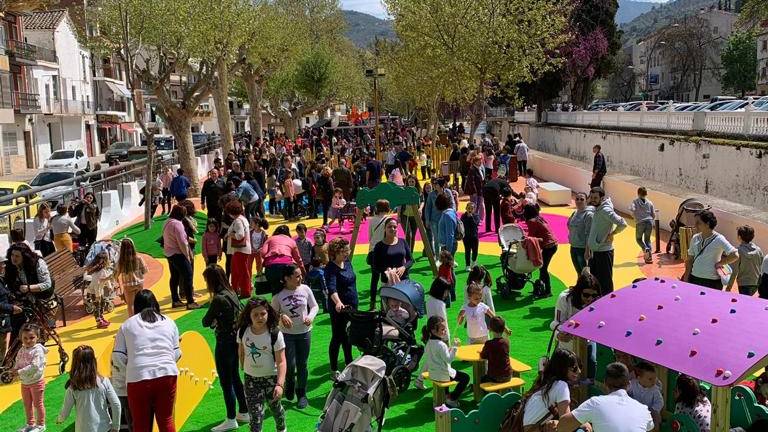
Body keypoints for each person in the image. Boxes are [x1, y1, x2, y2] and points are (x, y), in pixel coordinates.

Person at [112, 290, 180, 432]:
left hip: (138, 378)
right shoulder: (169, 322)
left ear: (136, 306)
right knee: (166, 419)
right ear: (155, 303)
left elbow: (118, 357)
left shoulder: (126, 325)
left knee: (141, 424)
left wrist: (130, 370)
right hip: (167, 374)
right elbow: (176, 353)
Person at [201, 266, 250, 432]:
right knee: (235, 376)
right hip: (235, 341)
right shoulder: (232, 293)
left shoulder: (218, 299)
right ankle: (243, 410)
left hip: (224, 343)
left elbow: (205, 321)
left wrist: (215, 319)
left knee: (226, 381)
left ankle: (230, 418)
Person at [545, 362, 654, 432]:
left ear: (605, 384)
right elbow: (650, 427)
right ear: (629, 385)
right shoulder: (644, 410)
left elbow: (563, 427)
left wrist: (582, 422)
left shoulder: (595, 403)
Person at [236, 297, 286, 432]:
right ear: (249, 315)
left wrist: (280, 384)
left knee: (275, 408)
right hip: (251, 379)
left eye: (263, 314)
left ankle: (281, 428)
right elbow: (241, 350)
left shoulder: (275, 333)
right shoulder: (242, 331)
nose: (259, 317)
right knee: (255, 416)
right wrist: (242, 366)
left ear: (268, 313)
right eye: (255, 314)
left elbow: (281, 361)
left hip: (271, 379)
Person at [271, 264, 318, 410]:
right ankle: (289, 384)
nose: (300, 278)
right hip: (287, 335)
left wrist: (310, 316)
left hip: (304, 333)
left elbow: (314, 306)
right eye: (297, 276)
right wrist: (281, 315)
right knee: (290, 365)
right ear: (287, 278)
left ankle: (301, 393)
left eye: (300, 275)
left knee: (302, 364)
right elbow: (272, 315)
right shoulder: (279, 296)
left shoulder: (305, 289)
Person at [56, 345, 122, 432]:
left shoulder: (73, 387)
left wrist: (60, 419)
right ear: (94, 361)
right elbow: (116, 404)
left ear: (75, 364)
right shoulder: (104, 381)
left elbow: (66, 410)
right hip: (104, 427)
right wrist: (115, 427)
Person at [521, 349, 582, 429]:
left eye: (580, 367)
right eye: (574, 368)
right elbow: (566, 424)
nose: (579, 371)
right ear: (562, 368)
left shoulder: (546, 382)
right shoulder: (561, 385)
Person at [325, 237, 358, 377]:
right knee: (338, 336)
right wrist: (338, 302)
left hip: (352, 305)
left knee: (349, 335)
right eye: (343, 251)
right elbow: (331, 288)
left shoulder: (348, 263)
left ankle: (349, 362)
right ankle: (333, 369)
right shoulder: (330, 268)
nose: (347, 253)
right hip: (339, 309)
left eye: (347, 250)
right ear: (335, 252)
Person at [682, 210, 738, 291]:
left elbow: (735, 255)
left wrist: (720, 263)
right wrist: (686, 278)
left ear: (707, 224)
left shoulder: (719, 239)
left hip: (712, 282)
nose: (695, 225)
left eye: (698, 223)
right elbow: (690, 259)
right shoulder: (695, 238)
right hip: (694, 278)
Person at [421, 316, 469, 408]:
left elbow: (440, 357)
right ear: (434, 331)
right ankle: (452, 399)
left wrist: (449, 349)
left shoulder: (428, 343)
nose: (445, 331)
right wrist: (455, 347)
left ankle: (446, 395)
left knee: (450, 372)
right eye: (442, 329)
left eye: (445, 328)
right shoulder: (441, 345)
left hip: (433, 373)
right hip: (442, 374)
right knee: (465, 378)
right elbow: (449, 359)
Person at [587, 187, 627, 295]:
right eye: (591, 197)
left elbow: (622, 223)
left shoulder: (605, 210)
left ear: (602, 198)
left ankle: (608, 305)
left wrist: (613, 234)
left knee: (605, 283)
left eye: (595, 198)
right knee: (595, 281)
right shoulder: (598, 208)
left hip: (604, 252)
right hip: (597, 251)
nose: (593, 200)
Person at [163, 205, 199, 310]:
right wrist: (187, 256)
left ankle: (175, 300)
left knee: (174, 277)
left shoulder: (167, 222)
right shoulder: (178, 224)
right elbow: (182, 242)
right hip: (178, 254)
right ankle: (190, 302)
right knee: (188, 276)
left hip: (169, 253)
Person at [14, 323, 47, 432]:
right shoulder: (21, 350)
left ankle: (41, 425)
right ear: (21, 338)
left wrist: (19, 371)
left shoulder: (38, 350)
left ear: (37, 337)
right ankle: (30, 423)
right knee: (27, 404)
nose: (28, 340)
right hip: (25, 382)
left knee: (38, 404)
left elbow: (34, 366)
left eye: (32, 337)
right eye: (25, 338)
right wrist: (14, 369)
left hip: (36, 381)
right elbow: (18, 361)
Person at [524, 204, 558, 298]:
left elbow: (531, 236)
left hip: (548, 246)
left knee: (543, 268)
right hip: (553, 244)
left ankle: (547, 290)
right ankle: (540, 287)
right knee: (542, 268)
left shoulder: (531, 221)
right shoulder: (539, 218)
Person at [260, 225, 306, 294]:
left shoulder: (270, 239)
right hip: (286, 265)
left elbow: (263, 253)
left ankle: (276, 304)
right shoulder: (291, 241)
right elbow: (298, 258)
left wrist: (271, 258)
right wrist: (303, 270)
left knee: (275, 290)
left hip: (270, 267)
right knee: (289, 289)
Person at [373, 218, 414, 290]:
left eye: (395, 227)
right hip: (387, 281)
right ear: (384, 228)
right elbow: (375, 265)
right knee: (388, 301)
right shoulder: (379, 246)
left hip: (404, 280)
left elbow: (410, 260)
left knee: (404, 301)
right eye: (389, 227)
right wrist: (386, 270)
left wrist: (403, 267)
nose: (392, 229)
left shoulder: (403, 242)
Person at [225, 200, 252, 298]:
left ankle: (245, 291)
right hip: (242, 249)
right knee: (237, 270)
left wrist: (230, 234)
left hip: (240, 250)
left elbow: (240, 235)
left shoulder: (238, 221)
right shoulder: (243, 218)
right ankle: (237, 289)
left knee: (241, 271)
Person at [114, 238, 147, 318]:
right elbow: (145, 270)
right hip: (139, 283)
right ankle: (141, 318)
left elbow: (116, 274)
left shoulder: (121, 261)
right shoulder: (138, 258)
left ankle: (132, 320)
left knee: (130, 304)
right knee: (140, 302)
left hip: (128, 285)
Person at [727, 225, 764, 296]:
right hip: (756, 283)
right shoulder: (758, 250)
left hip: (744, 284)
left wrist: (729, 287)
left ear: (739, 237)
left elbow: (734, 271)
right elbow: (761, 266)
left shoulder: (738, 251)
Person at [628, 361, 663, 431]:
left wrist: (653, 409)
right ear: (639, 378)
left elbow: (659, 401)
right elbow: (625, 392)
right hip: (635, 411)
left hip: (649, 412)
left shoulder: (654, 389)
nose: (653, 381)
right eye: (650, 379)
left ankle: (655, 430)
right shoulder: (633, 384)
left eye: (654, 378)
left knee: (656, 417)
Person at [85, 252, 114, 329]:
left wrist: (109, 286)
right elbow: (96, 284)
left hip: (99, 290)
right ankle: (98, 321)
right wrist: (97, 296)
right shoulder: (98, 272)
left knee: (102, 303)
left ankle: (101, 317)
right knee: (97, 306)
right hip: (94, 291)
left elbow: (106, 278)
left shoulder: (103, 270)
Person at [567, 192, 594, 276]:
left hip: (582, 248)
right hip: (573, 247)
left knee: (585, 273)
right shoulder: (575, 213)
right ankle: (580, 287)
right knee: (579, 272)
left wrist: (587, 250)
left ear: (586, 201)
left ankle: (586, 288)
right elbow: (569, 225)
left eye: (582, 199)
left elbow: (589, 234)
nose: (579, 201)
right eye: (577, 199)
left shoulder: (588, 215)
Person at [479, 316, 512, 383]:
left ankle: (486, 393)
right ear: (503, 328)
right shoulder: (506, 342)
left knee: (482, 380)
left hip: (495, 377)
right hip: (508, 376)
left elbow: (483, 356)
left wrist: (480, 352)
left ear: (490, 329)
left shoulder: (489, 344)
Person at [630, 187, 655, 264]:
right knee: (647, 239)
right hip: (649, 221)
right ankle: (649, 257)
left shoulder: (635, 202)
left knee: (638, 239)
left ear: (638, 193)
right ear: (646, 194)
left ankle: (645, 249)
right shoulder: (650, 202)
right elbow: (653, 214)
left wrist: (635, 218)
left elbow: (631, 210)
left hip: (640, 222)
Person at [464, 155, 486, 222]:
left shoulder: (480, 168)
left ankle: (480, 218)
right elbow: (471, 181)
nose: (480, 162)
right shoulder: (472, 169)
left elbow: (483, 178)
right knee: (474, 205)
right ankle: (474, 218)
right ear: (475, 162)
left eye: (481, 161)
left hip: (480, 189)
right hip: (475, 191)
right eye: (479, 161)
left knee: (481, 204)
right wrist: (474, 191)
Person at [461, 202, 481, 271]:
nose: (470, 210)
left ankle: (474, 261)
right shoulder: (463, 216)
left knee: (475, 251)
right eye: (469, 208)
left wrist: (471, 217)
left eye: (472, 208)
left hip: (474, 237)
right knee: (467, 251)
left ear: (474, 209)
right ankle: (467, 265)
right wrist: (468, 218)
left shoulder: (476, 216)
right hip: (466, 237)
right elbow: (463, 223)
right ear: (466, 208)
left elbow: (476, 224)